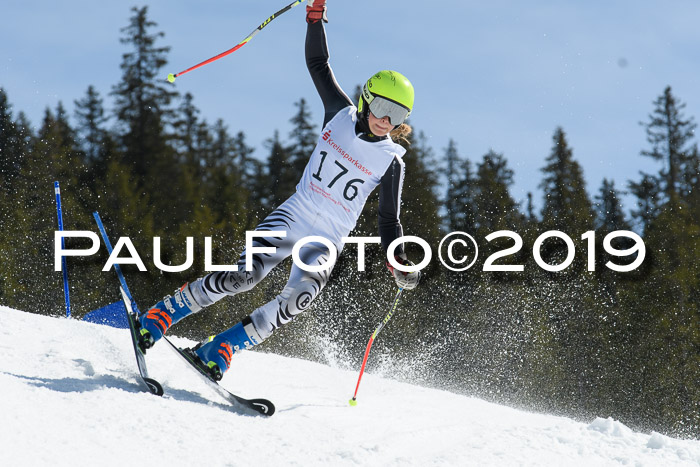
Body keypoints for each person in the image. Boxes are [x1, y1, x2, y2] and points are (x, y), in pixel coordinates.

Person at [137, 0, 421, 380]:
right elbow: (319, 65)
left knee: (299, 299)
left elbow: (389, 219)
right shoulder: (339, 113)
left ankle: (222, 346)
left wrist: (397, 257)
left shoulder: (392, 160)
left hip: (327, 238)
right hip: (295, 214)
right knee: (243, 277)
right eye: (384, 107)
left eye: (399, 116)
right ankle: (164, 312)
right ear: (368, 97)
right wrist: (315, 18)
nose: (387, 121)